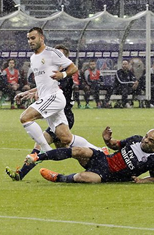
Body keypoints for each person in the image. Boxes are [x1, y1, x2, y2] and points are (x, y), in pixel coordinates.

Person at [5, 45, 98, 181]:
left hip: (65, 114)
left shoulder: (65, 76)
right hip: (55, 113)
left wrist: (34, 93)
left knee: (44, 144)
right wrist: (28, 92)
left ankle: (21, 174)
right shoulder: (53, 74)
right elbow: (43, 87)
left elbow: (52, 89)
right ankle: (97, 158)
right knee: (68, 147)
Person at [14, 27, 95, 153]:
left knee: (25, 118)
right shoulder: (33, 58)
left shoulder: (52, 53)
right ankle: (99, 151)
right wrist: (29, 92)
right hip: (48, 98)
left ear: (42, 38)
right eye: (28, 39)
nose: (30, 41)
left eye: (33, 38)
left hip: (54, 97)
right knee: (66, 138)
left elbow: (73, 68)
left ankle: (45, 149)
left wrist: (62, 75)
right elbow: (43, 83)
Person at [27, 126, 154, 184]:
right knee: (80, 150)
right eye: (146, 136)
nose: (145, 140)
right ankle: (39, 157)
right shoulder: (136, 139)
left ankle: (58, 178)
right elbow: (115, 145)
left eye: (150, 140)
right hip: (103, 158)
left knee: (83, 177)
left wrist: (141, 181)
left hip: (107, 175)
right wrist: (107, 140)